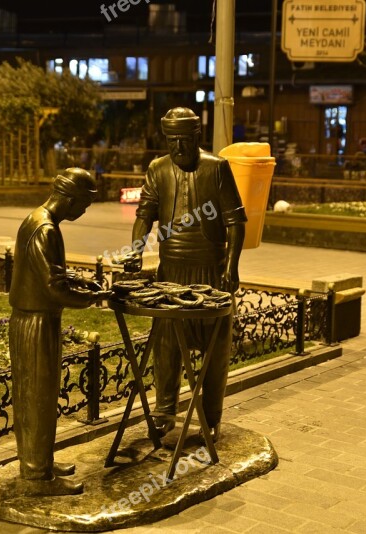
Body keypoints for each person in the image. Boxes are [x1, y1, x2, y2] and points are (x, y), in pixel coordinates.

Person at [119, 107, 247, 443]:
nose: (178, 148)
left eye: (184, 141)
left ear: (196, 137)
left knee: (215, 344)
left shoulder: (217, 169)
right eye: (172, 141)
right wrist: (135, 249)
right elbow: (144, 215)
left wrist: (231, 266)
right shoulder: (157, 169)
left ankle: (211, 414)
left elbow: (235, 220)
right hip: (171, 270)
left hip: (210, 268)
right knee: (166, 343)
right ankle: (164, 411)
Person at [8, 167, 104, 495]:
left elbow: (55, 274)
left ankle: (41, 462)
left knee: (42, 396)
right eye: (84, 204)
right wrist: (93, 297)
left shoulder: (42, 221)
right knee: (36, 396)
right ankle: (36, 477)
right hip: (35, 321)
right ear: (70, 198)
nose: (84, 211)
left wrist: (78, 281)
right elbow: (53, 287)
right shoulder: (44, 229)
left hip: (39, 319)